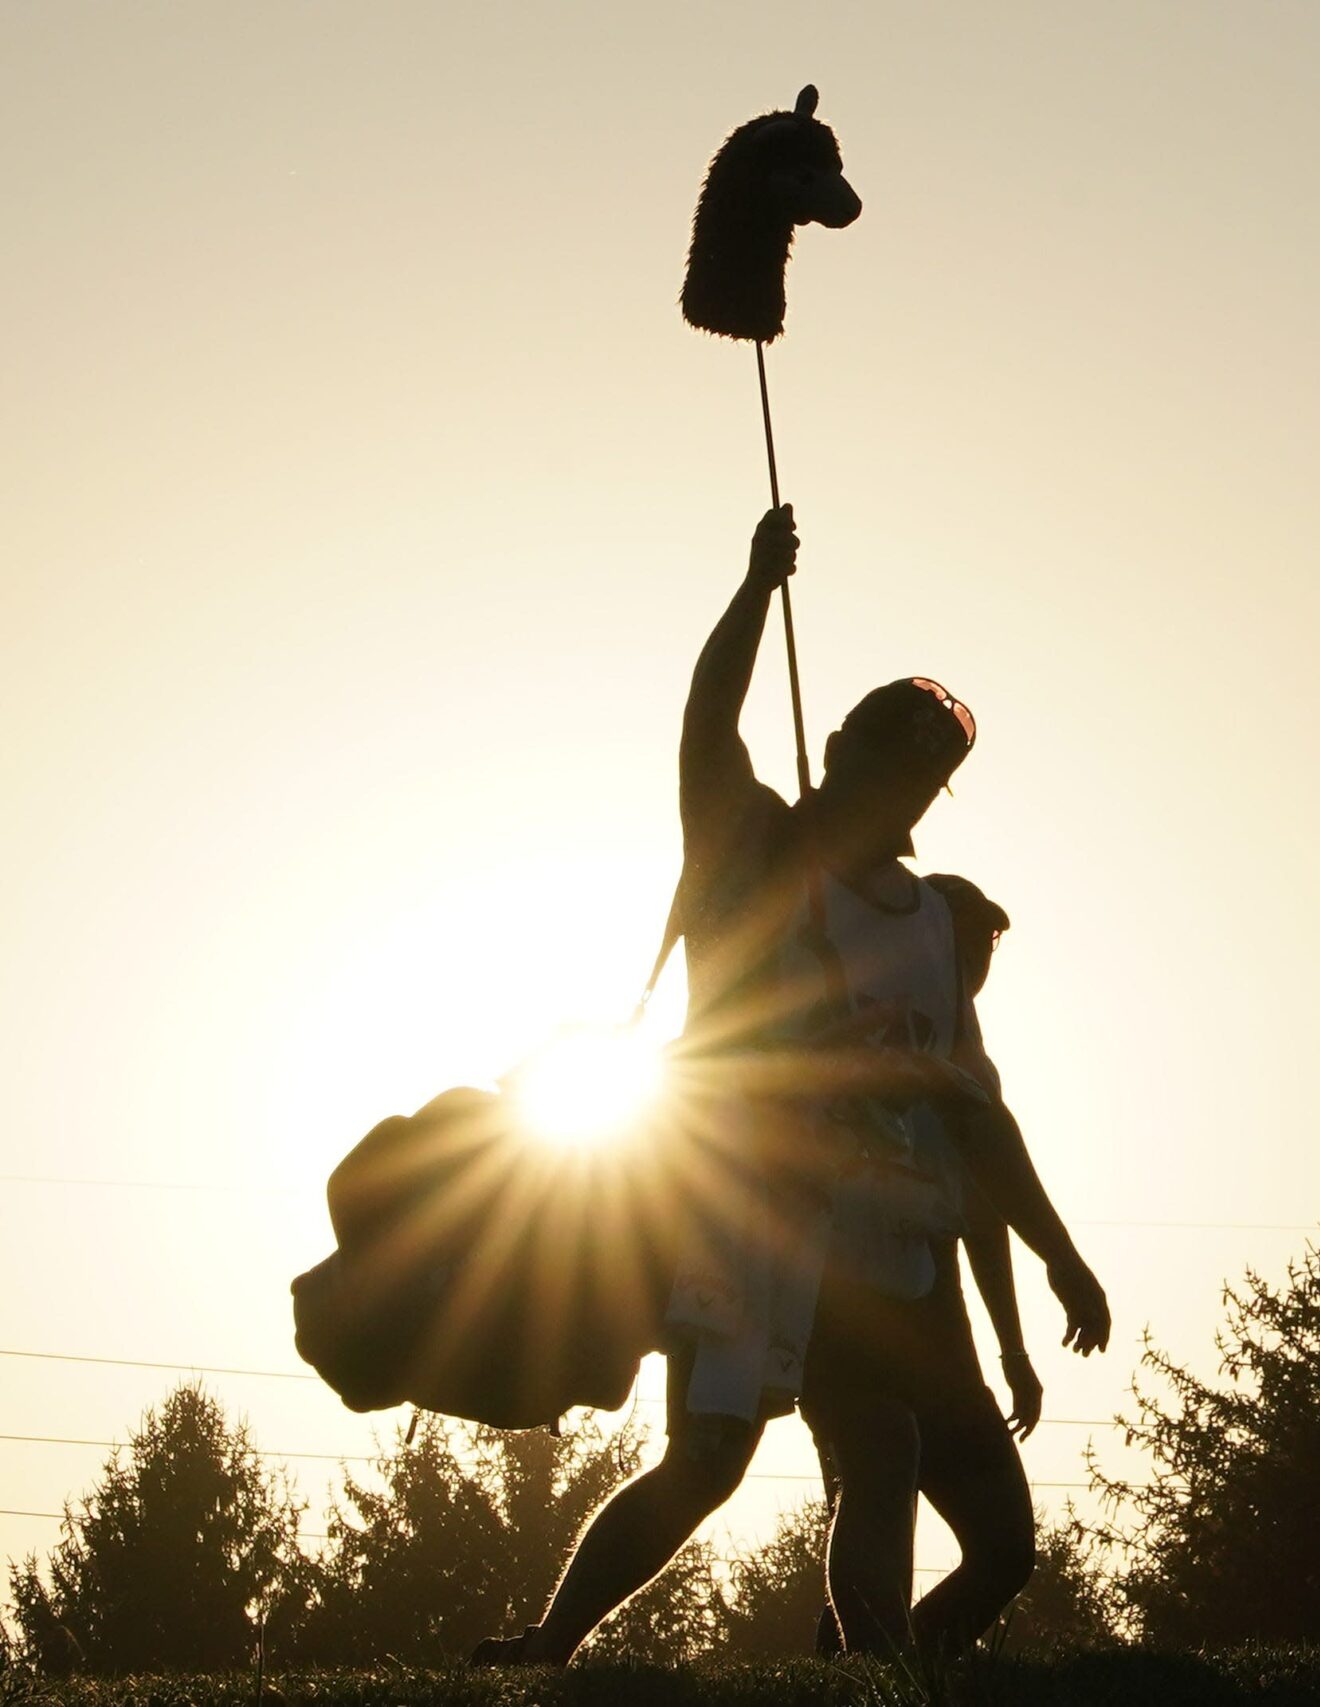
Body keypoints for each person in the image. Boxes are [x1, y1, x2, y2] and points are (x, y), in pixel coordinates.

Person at [473, 505, 1108, 1666]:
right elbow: (707, 725)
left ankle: (875, 1666)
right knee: (735, 1464)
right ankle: (558, 1642)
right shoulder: (752, 851)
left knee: (1003, 1542)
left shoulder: (931, 924)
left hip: (901, 1253)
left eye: (931, 779)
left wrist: (1058, 1251)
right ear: (845, 756)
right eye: (898, 764)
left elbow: (977, 1115)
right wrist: (758, 588)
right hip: (759, 1230)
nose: (911, 794)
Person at [811, 877, 1051, 1657]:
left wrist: (1012, 1348)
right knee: (877, 1485)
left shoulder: (975, 1067)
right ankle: (866, 1671)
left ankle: (888, 1663)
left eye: (990, 939)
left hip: (938, 1306)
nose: (982, 952)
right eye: (971, 933)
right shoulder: (876, 1034)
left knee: (1007, 1546)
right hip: (848, 1293)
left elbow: (984, 1218)